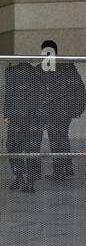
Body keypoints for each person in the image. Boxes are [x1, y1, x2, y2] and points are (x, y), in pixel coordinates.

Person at [38, 40, 86, 181]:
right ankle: (67, 167)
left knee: (56, 140)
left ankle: (59, 170)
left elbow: (45, 91)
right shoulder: (67, 66)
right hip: (65, 110)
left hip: (54, 110)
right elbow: (79, 88)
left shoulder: (46, 67)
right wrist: (76, 109)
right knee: (62, 138)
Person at [3, 60, 42, 192]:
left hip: (16, 118)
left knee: (13, 148)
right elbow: (43, 97)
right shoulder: (38, 73)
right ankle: (30, 182)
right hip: (34, 118)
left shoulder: (11, 72)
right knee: (32, 150)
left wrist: (7, 115)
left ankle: (20, 177)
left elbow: (9, 95)